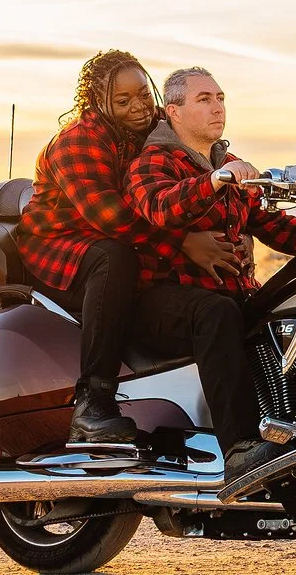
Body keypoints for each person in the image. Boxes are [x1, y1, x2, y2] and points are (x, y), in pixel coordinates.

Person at [15, 51, 239, 444]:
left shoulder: (149, 129)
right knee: (112, 257)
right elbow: (111, 218)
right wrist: (185, 241)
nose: (138, 107)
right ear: (98, 104)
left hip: (123, 240)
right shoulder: (76, 143)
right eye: (123, 101)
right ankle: (93, 403)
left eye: (143, 95)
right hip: (61, 245)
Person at [127, 65, 296, 482]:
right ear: (173, 111)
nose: (217, 107)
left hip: (225, 296)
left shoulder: (227, 163)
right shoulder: (153, 160)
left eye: (220, 98)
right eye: (204, 99)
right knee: (217, 312)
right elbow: (160, 208)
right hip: (160, 301)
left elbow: (276, 226)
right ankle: (239, 449)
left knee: (291, 315)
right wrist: (215, 181)